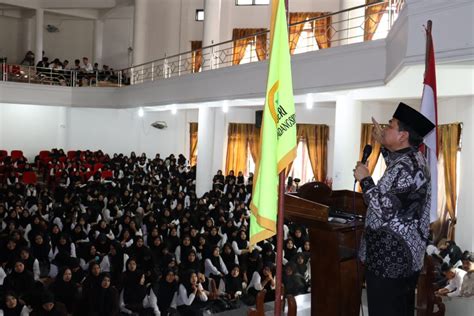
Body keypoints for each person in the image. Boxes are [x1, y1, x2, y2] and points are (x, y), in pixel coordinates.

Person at [354, 102, 435, 316]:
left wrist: (365, 180)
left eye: (390, 125)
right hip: (400, 259)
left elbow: (384, 209)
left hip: (390, 260)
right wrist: (384, 144)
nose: (385, 128)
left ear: (403, 136)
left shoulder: (407, 166)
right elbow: (397, 178)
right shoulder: (412, 159)